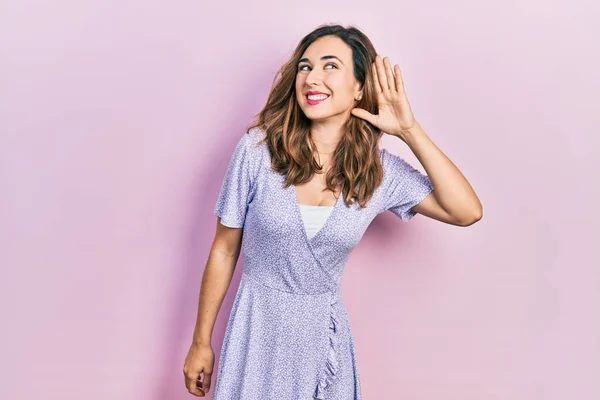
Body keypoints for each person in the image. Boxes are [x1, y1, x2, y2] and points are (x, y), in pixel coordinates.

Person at [183, 23, 482, 399]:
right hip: (255, 333)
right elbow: (224, 250)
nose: (312, 78)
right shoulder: (257, 151)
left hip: (323, 346)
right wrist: (200, 341)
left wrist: (409, 129)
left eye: (330, 66)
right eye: (305, 67)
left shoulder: (379, 173)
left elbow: (465, 211)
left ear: (360, 86)